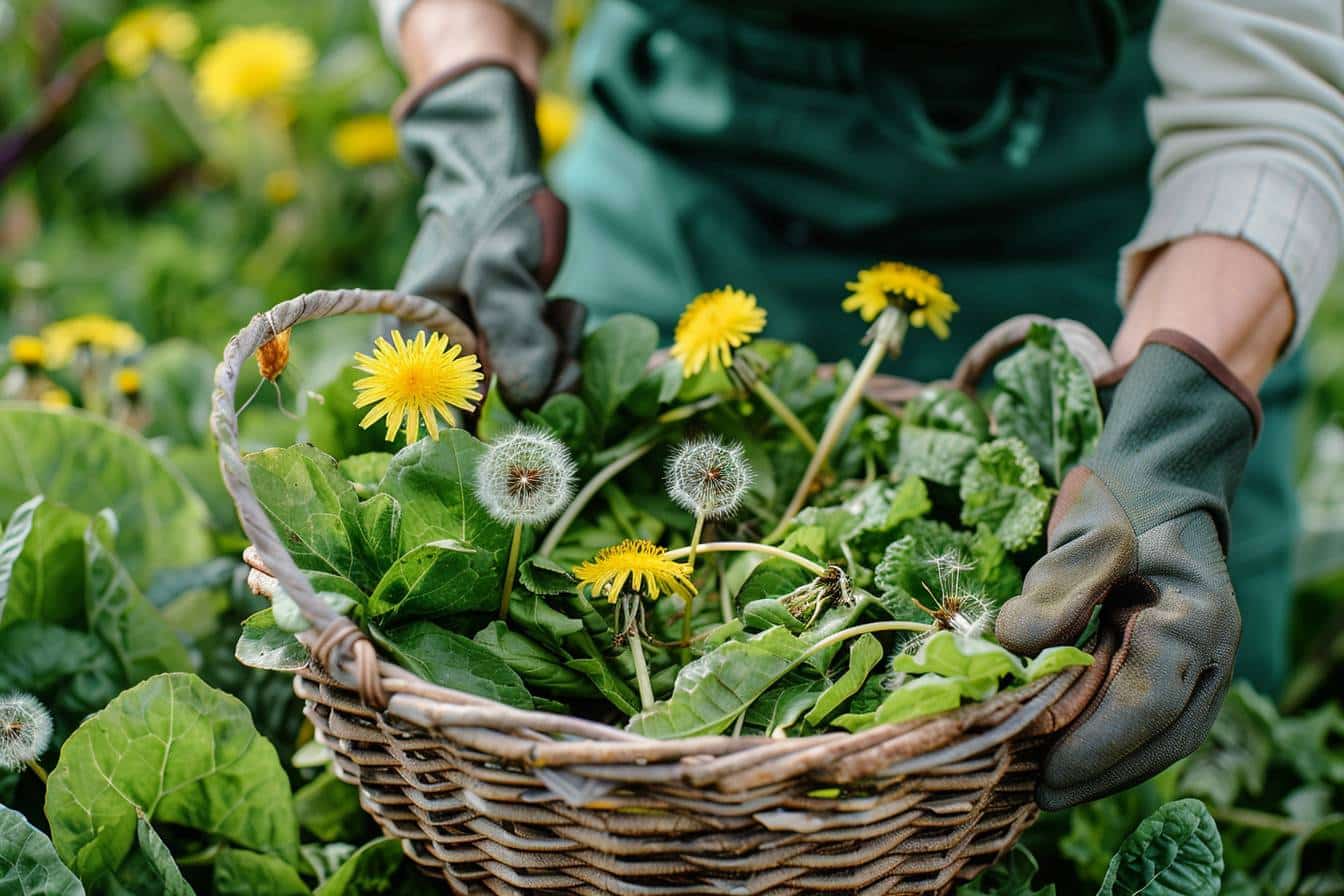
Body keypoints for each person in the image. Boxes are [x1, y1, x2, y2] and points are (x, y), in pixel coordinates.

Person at [373, 0, 1344, 807]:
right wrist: (469, 126)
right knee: (576, 743)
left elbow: (1275, 94)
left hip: (1107, 237)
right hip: (682, 189)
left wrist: (1177, 426)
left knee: (1168, 756)